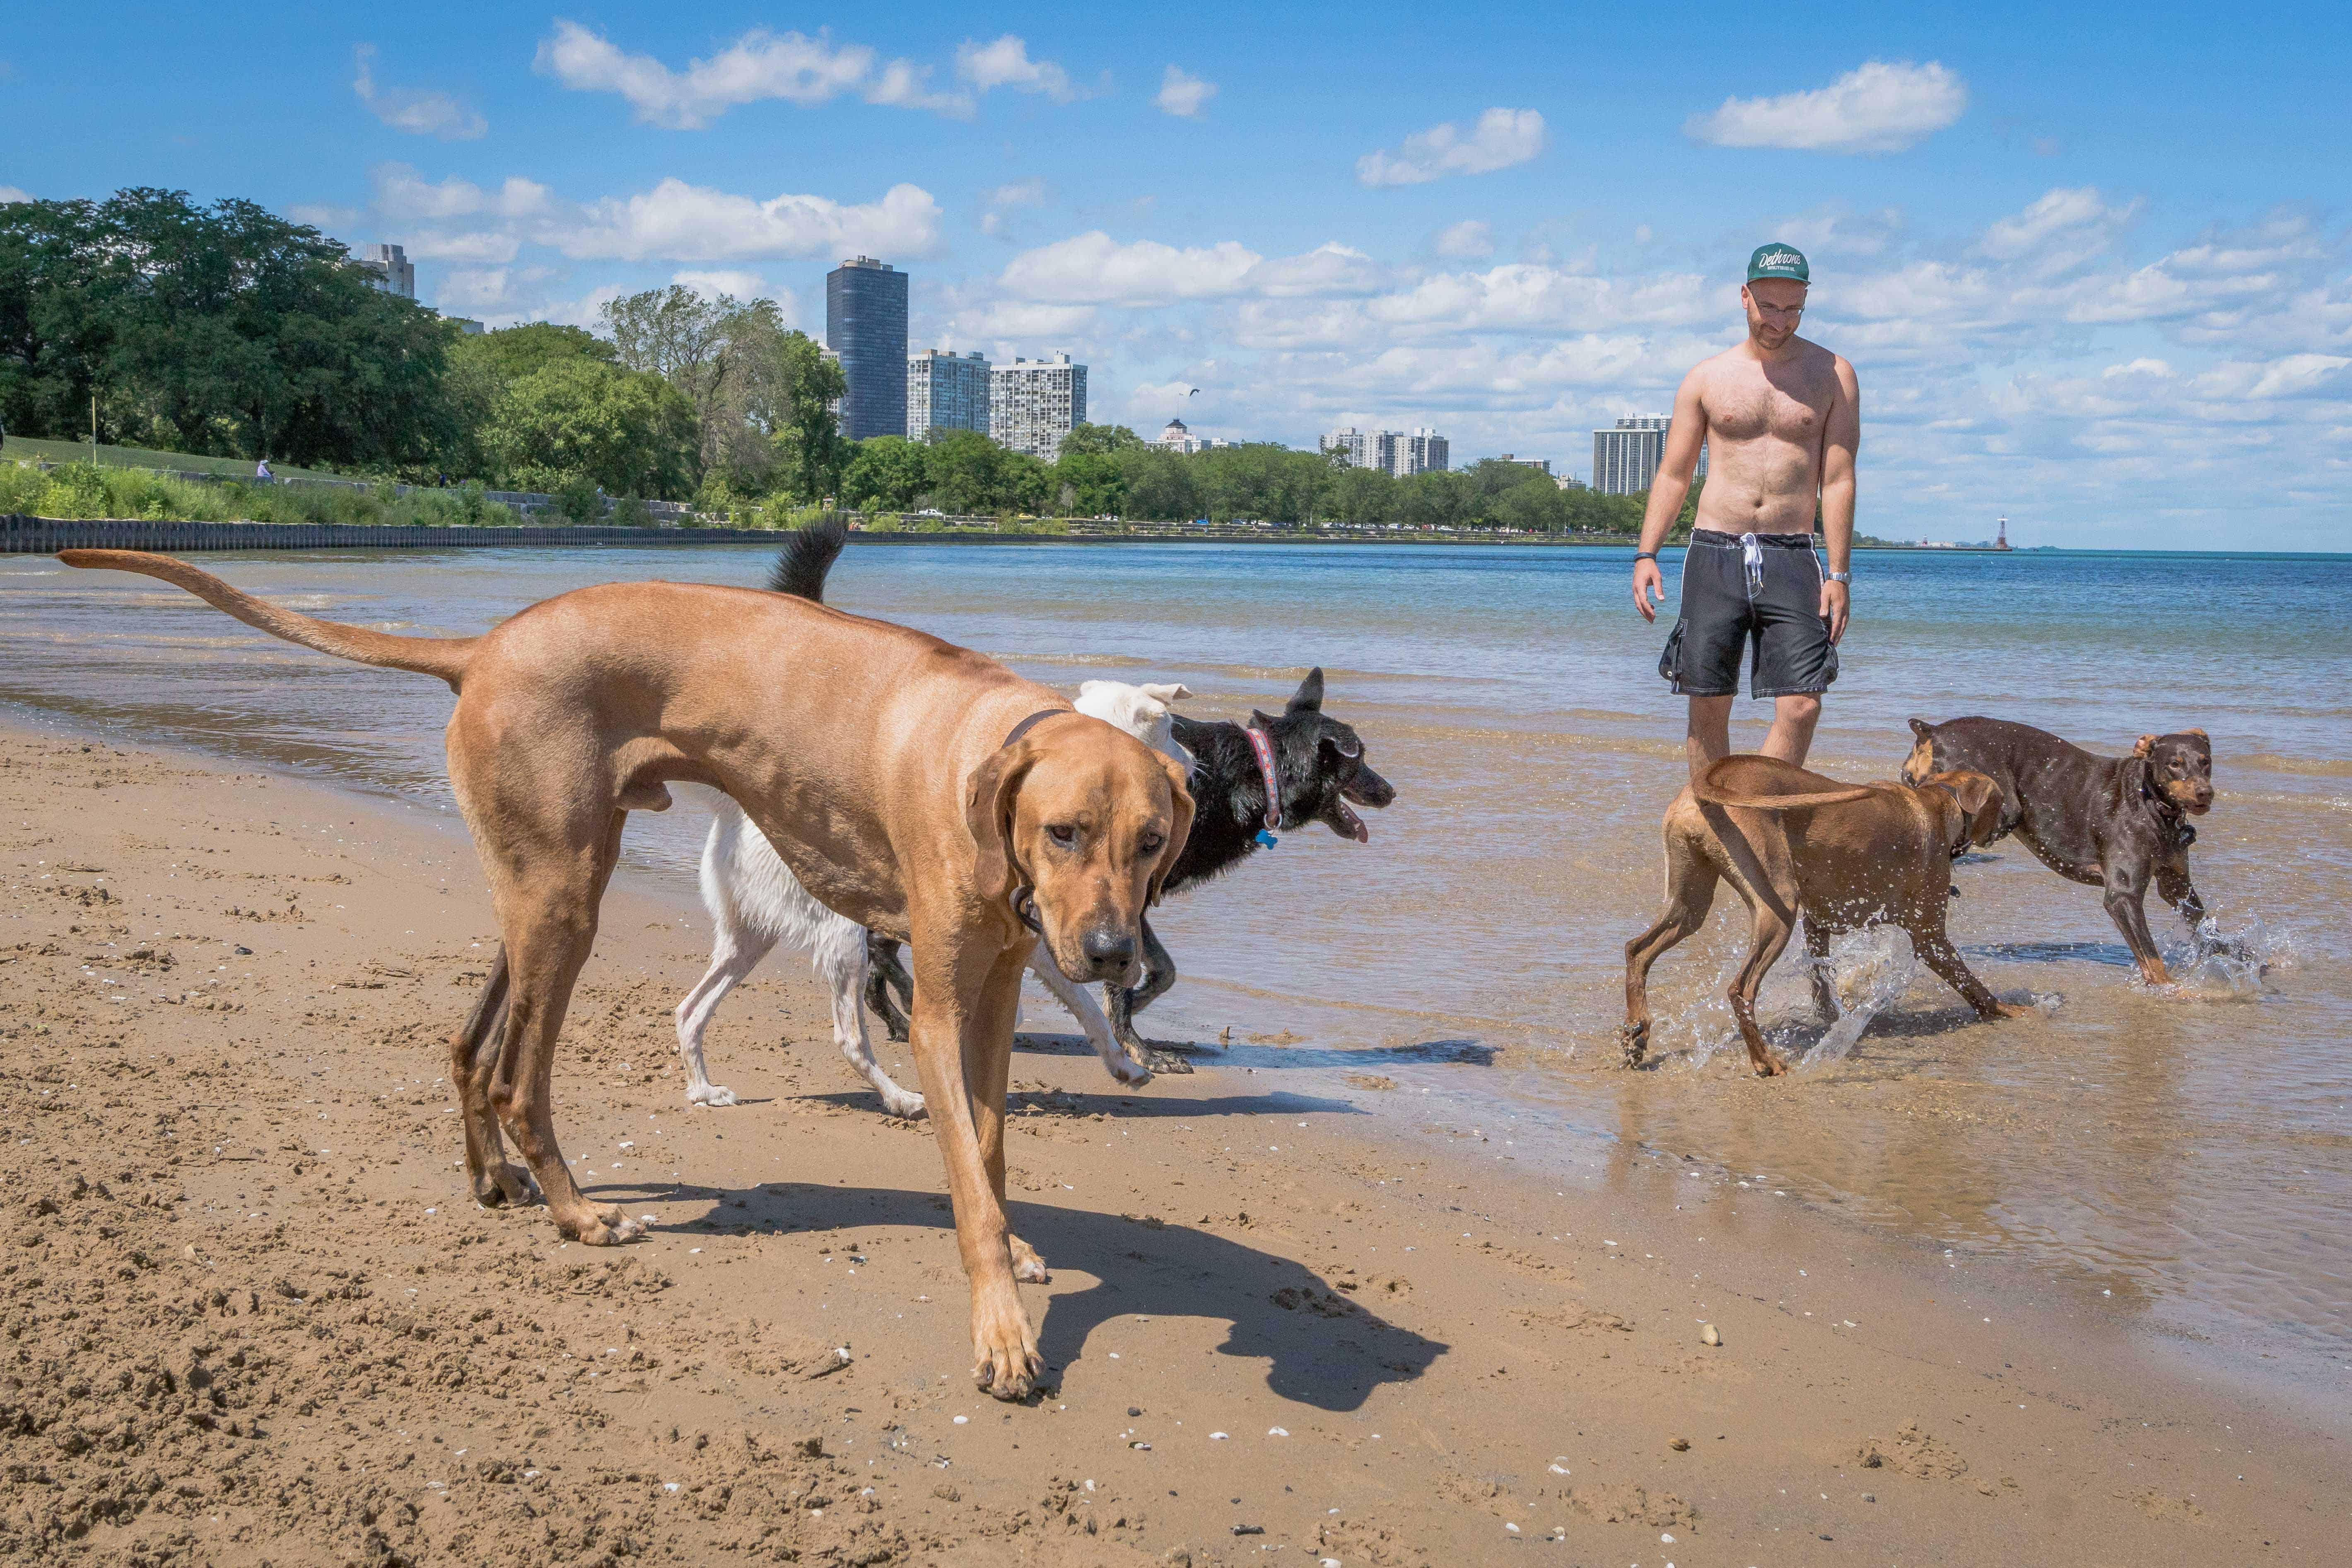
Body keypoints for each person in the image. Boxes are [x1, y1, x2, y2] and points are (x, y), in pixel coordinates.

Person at [1631, 242, 1858, 780]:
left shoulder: (1832, 374)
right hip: (1714, 551)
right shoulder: (1707, 377)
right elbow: (1674, 472)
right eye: (1769, 306)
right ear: (1744, 297)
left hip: (1792, 554)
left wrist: (1841, 573)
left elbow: (1839, 476)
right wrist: (1646, 553)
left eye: (1793, 309)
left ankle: (1760, 807)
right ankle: (1715, 828)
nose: (1780, 321)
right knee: (1708, 700)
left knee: (1803, 702)